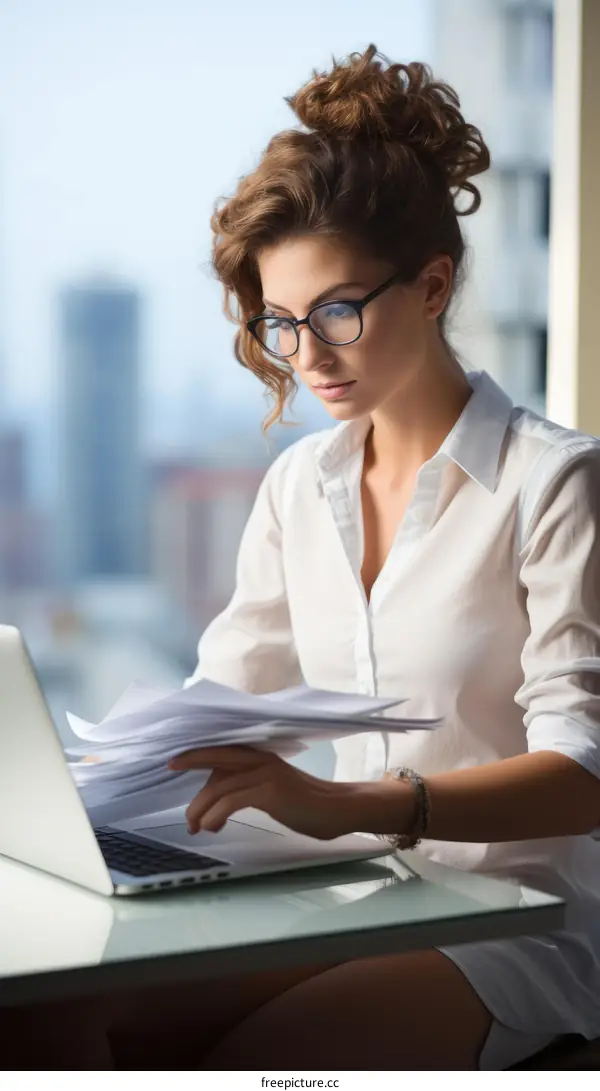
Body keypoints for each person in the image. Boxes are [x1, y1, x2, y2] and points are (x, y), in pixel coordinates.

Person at [11, 42, 600, 1072]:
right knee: (46, 1019)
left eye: (336, 311)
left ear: (431, 285)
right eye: (281, 323)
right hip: (364, 893)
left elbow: (586, 771)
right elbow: (220, 701)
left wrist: (354, 804)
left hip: (527, 921)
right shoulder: (300, 487)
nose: (308, 354)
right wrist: (72, 797)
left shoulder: (555, 483)